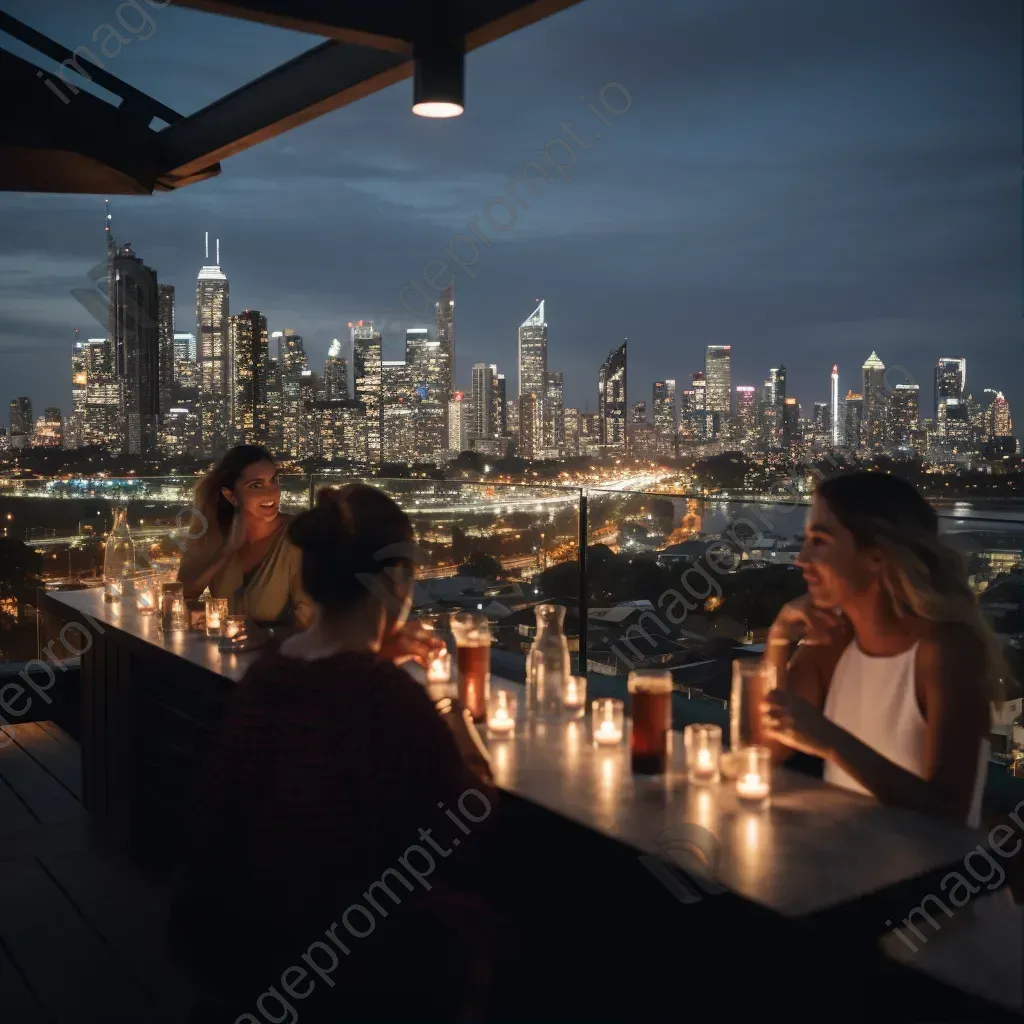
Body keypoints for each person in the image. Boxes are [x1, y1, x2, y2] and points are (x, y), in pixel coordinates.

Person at [168, 484, 500, 1022]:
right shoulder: (383, 697)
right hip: (349, 964)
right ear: (396, 581)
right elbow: (468, 819)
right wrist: (454, 715)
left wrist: (377, 654)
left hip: (240, 945)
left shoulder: (268, 677)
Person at [757, 470, 1005, 825]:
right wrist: (779, 638)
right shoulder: (832, 643)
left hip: (925, 877)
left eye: (820, 541)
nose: (801, 559)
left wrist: (830, 740)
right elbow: (764, 750)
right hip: (853, 868)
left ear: (875, 557)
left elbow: (952, 814)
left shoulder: (945, 650)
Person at [176, 445, 314, 627]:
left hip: (280, 653)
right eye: (256, 485)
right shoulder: (216, 533)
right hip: (224, 653)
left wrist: (264, 638)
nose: (271, 492)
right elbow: (180, 596)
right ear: (231, 496)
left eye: (273, 481)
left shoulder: (299, 535)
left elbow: (312, 624)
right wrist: (227, 550)